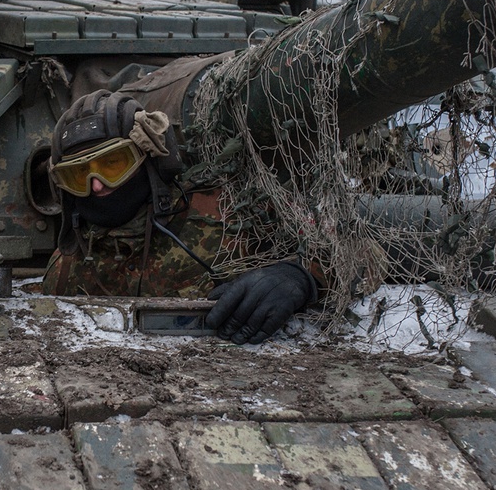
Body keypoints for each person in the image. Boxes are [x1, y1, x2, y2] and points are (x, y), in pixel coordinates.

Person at [44, 90, 319, 344]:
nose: (96, 185)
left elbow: (346, 255)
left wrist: (300, 278)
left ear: (151, 158)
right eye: (78, 174)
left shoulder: (227, 217)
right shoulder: (66, 269)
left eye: (113, 164)